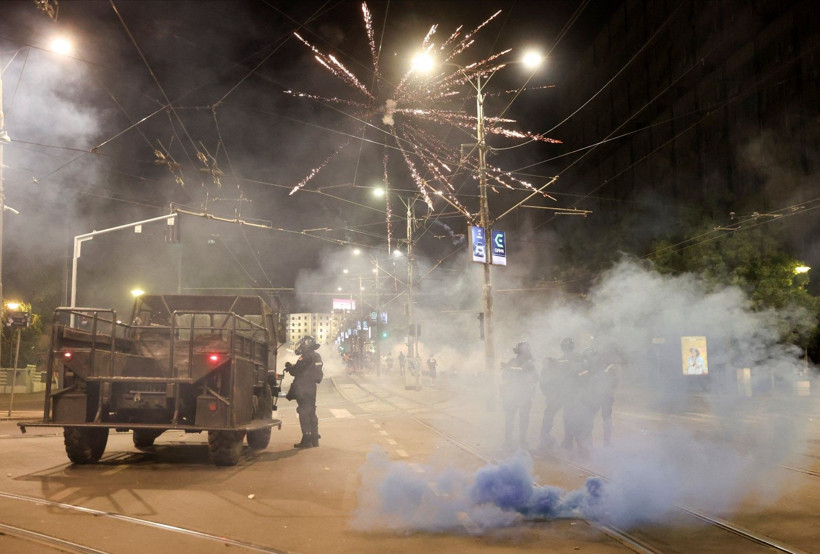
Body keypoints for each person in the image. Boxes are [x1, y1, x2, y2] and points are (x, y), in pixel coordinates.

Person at [284, 335, 324, 448]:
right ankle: (315, 438)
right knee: (311, 410)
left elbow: (296, 371)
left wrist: (289, 367)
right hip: (312, 387)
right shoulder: (317, 356)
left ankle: (306, 439)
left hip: (303, 387)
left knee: (303, 411)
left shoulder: (304, 357)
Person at [538, 337, 577, 451]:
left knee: (552, 415)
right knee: (567, 417)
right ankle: (567, 442)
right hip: (565, 393)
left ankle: (546, 439)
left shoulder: (562, 361)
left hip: (562, 394)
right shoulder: (571, 359)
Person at [500, 341, 538, 450]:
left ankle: (511, 441)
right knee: (520, 418)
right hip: (519, 393)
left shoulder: (517, 362)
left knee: (513, 418)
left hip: (516, 394)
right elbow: (536, 378)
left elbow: (504, 375)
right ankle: (518, 441)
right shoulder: (527, 363)